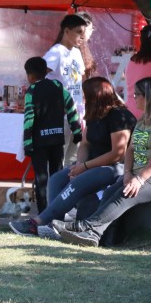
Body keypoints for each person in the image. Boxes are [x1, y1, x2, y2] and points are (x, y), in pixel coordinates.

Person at [54, 77, 151, 247]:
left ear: (149, 96)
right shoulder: (144, 119)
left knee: (127, 193)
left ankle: (86, 227)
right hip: (144, 173)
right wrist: (128, 173)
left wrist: (139, 179)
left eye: (137, 95)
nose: (133, 98)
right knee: (109, 193)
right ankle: (96, 236)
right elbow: (130, 150)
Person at [10, 77, 136, 237]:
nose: (83, 98)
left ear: (95, 96)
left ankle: (37, 223)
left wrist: (84, 167)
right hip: (91, 164)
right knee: (56, 179)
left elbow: (117, 154)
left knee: (78, 182)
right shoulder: (95, 113)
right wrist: (79, 164)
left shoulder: (119, 115)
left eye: (85, 95)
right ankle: (52, 226)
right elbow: (84, 144)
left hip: (114, 167)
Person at [21, 57, 82, 213]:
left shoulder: (31, 91)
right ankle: (57, 210)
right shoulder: (57, 85)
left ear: (30, 76)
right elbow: (71, 107)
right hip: (57, 140)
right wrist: (76, 130)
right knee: (57, 176)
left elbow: (29, 118)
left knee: (41, 179)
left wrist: (27, 143)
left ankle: (43, 213)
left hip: (39, 143)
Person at [43, 13, 87, 163]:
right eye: (79, 32)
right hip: (60, 114)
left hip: (77, 113)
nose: (82, 36)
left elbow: (81, 80)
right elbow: (38, 76)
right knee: (57, 159)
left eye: (84, 32)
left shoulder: (76, 52)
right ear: (67, 31)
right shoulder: (56, 52)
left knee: (73, 160)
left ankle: (66, 180)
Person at [76, 11, 97, 80]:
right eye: (90, 29)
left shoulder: (83, 46)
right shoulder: (74, 50)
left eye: (92, 29)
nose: (91, 32)